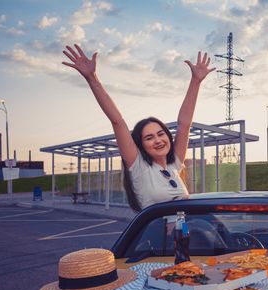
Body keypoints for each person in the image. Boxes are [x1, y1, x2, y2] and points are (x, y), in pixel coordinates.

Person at [62, 45, 215, 211]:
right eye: (149, 138)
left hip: (182, 235)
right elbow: (118, 121)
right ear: (141, 145)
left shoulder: (174, 165)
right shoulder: (139, 167)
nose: (157, 140)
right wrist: (92, 78)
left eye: (160, 134)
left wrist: (196, 81)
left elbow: (184, 125)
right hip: (158, 236)